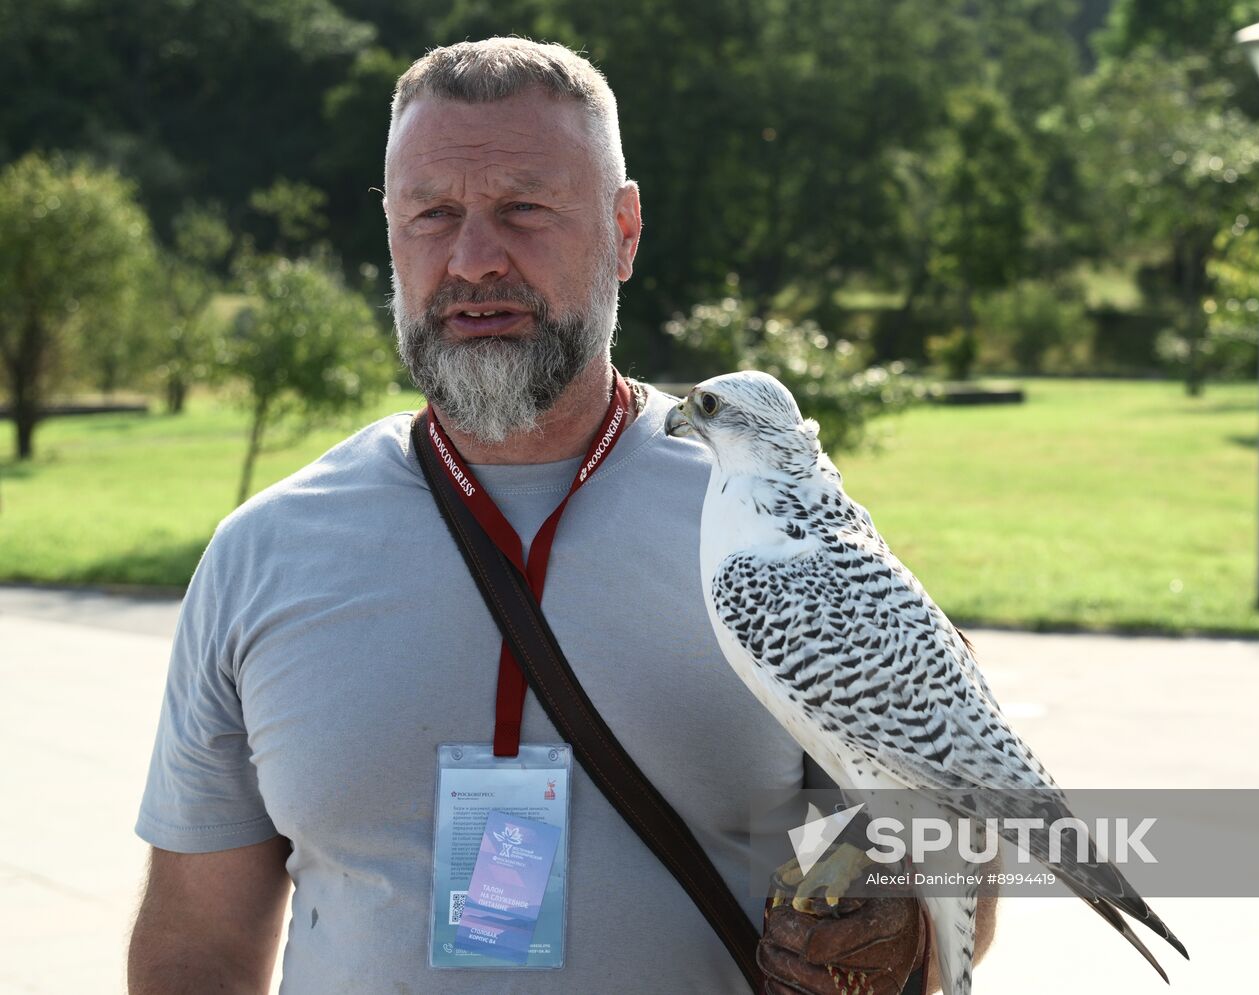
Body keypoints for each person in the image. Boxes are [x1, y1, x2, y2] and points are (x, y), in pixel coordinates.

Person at [127, 38, 993, 994]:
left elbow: (954, 848)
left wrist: (895, 926)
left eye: (525, 209)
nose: (474, 259)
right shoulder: (265, 552)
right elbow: (194, 947)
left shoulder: (775, 533)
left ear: (623, 229)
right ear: (391, 234)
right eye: (433, 213)